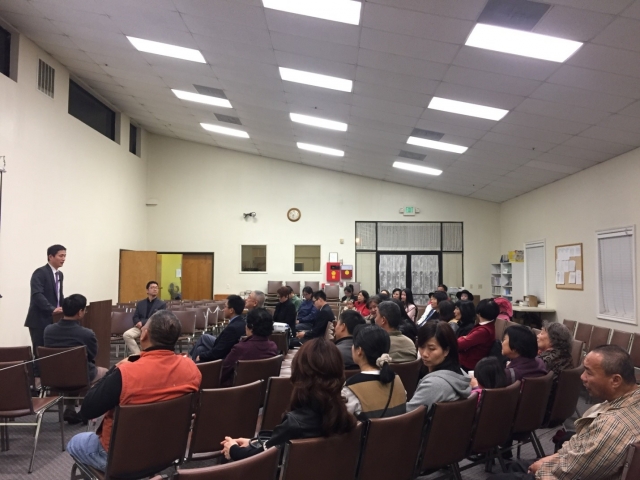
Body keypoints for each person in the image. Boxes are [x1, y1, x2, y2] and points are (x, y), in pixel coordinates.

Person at [67, 310, 201, 471]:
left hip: (122, 458)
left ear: (144, 334)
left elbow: (88, 410)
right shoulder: (191, 368)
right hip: (168, 451)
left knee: (75, 441)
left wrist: (115, 369)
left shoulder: (126, 373)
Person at [493, 346, 640, 480]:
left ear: (615, 380)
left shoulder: (613, 426)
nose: (582, 377)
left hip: (566, 473)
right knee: (516, 466)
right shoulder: (631, 399)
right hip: (573, 463)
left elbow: (571, 473)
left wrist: (541, 468)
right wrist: (554, 457)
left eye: (589, 372)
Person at [221, 338, 356, 461]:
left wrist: (233, 450)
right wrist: (254, 442)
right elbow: (274, 444)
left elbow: (261, 459)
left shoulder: (295, 424)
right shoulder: (347, 419)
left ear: (299, 373)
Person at [44, 294, 109, 424]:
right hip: (80, 376)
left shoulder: (48, 330)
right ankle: (88, 410)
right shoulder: (87, 334)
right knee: (106, 373)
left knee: (71, 369)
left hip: (53, 377)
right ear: (80, 312)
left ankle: (70, 408)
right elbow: (92, 355)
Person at [343, 324, 407, 419]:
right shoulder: (396, 379)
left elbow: (340, 421)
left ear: (359, 350)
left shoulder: (351, 388)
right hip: (399, 429)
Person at [407, 321, 471, 412]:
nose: (424, 354)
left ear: (446, 351)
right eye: (421, 346)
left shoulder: (433, 385)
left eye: (431, 348)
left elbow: (407, 415)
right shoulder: (461, 374)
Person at [24, 244, 66, 375]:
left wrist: (67, 307)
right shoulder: (40, 273)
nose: (63, 259)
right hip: (39, 320)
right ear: (50, 256)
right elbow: (37, 295)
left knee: (51, 351)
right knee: (40, 352)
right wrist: (51, 309)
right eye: (61, 256)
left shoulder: (60, 274)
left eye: (65, 256)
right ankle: (37, 380)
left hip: (55, 319)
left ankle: (50, 377)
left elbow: (59, 295)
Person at [220, 308, 278, 387]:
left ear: (250, 326)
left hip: (237, 392)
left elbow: (222, 373)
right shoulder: (273, 347)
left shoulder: (240, 348)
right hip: (263, 391)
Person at [196, 295, 246, 362]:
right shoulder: (242, 321)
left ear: (231, 310)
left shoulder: (232, 329)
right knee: (200, 348)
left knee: (201, 347)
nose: (223, 310)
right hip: (226, 351)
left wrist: (201, 356)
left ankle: (189, 363)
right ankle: (191, 363)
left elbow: (219, 352)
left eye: (225, 307)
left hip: (224, 359)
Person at [122, 281, 166, 355]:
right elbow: (135, 316)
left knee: (150, 339)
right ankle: (138, 354)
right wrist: (137, 322)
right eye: (152, 287)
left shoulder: (161, 304)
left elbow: (157, 318)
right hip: (139, 328)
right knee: (126, 335)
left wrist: (142, 323)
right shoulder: (141, 303)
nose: (155, 289)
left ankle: (146, 355)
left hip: (152, 328)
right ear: (147, 290)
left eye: (156, 288)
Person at [458, 299, 498, 371]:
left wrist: (463, 338)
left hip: (469, 364)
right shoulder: (489, 326)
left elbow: (460, 344)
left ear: (479, 313)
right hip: (469, 361)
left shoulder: (483, 331)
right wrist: (464, 338)